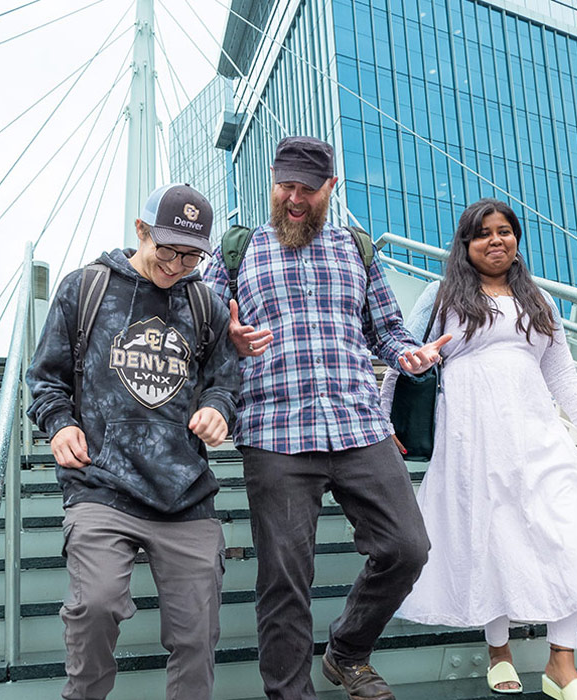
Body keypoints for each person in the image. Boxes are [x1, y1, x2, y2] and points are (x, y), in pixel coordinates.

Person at [201, 136, 450, 700]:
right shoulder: (239, 251)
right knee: (285, 580)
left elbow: (386, 329)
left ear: (329, 190)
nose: (293, 199)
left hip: (359, 425)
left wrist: (408, 354)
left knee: (407, 547)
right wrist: (228, 338)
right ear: (271, 183)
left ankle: (347, 652)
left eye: (306, 190)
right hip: (275, 432)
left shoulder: (356, 249)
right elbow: (204, 331)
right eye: (284, 186)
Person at [381, 199, 577, 700]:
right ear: (465, 244)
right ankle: (498, 651)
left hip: (537, 430)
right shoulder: (440, 295)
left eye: (505, 231)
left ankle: (561, 663)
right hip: (470, 436)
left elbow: (560, 368)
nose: (495, 240)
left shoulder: (538, 299)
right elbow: (401, 357)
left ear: (517, 240)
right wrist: (386, 412)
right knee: (488, 533)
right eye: (483, 233)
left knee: (572, 526)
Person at [26, 184, 240, 700]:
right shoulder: (86, 288)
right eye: (167, 249)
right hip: (102, 485)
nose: (177, 264)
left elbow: (224, 380)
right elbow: (45, 378)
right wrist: (60, 425)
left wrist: (217, 408)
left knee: (197, 635)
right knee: (94, 608)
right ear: (142, 231)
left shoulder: (204, 304)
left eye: (192, 255)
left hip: (185, 495)